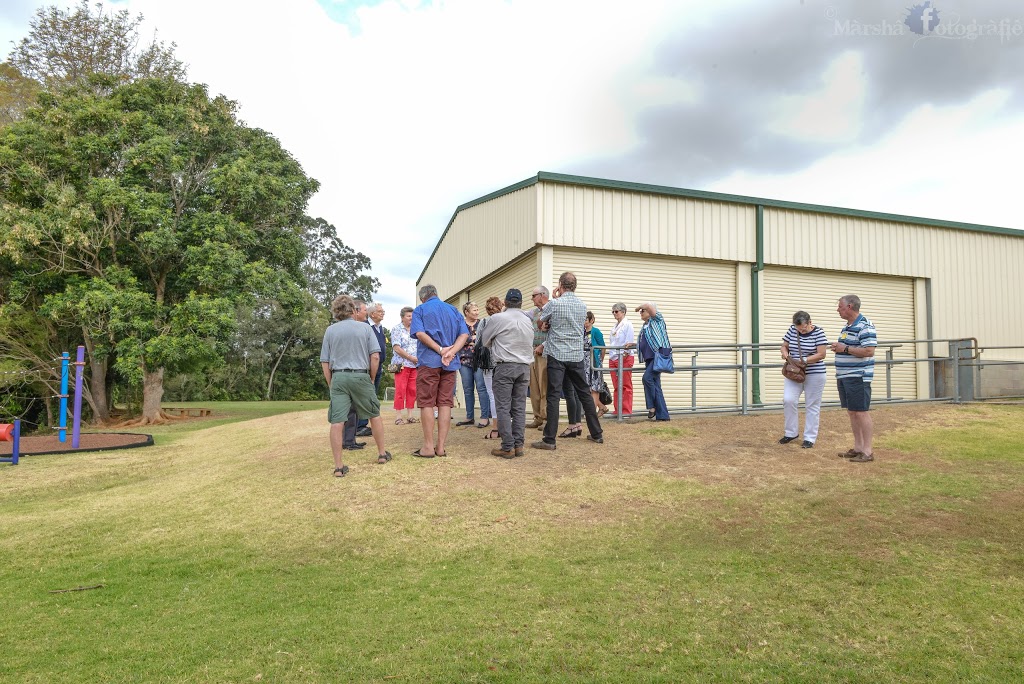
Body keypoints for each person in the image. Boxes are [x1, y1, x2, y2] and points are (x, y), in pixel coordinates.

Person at [320, 294, 392, 477]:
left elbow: (325, 362)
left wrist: (331, 383)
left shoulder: (330, 331)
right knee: (374, 414)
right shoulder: (365, 329)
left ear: (336, 312)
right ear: (353, 309)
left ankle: (338, 466)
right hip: (360, 375)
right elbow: (375, 356)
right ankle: (382, 454)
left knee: (337, 421)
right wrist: (371, 377)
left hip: (338, 377)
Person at [533, 272, 603, 450]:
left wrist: (555, 298)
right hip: (576, 354)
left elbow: (541, 321)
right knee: (584, 394)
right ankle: (597, 433)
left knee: (553, 396)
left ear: (560, 285)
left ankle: (549, 439)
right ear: (575, 286)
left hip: (557, 355)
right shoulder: (582, 305)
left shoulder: (555, 304)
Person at [411, 284, 469, 458]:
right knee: (445, 402)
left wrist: (440, 350)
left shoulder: (420, 310)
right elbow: (464, 334)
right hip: (450, 363)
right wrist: (451, 352)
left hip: (429, 361)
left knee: (427, 403)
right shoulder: (453, 310)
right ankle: (441, 447)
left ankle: (428, 447)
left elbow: (420, 333)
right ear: (436, 294)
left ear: (423, 298)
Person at [479, 289, 534, 458]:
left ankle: (507, 446)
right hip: (524, 367)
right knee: (519, 407)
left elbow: (485, 341)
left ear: (505, 302)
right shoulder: (527, 320)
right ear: (521, 302)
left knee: (503, 406)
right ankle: (519, 445)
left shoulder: (497, 318)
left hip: (505, 365)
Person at [830, 294, 878, 463]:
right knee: (852, 412)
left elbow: (869, 351)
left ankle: (867, 451)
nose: (838, 310)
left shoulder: (865, 326)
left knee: (861, 412)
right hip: (845, 376)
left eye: (840, 307)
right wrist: (840, 348)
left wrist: (844, 349)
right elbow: (847, 348)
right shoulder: (847, 327)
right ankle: (857, 447)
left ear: (850, 307)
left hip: (858, 377)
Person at [778, 311, 829, 449]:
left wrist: (804, 360)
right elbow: (784, 346)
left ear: (810, 322)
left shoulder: (819, 333)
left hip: (815, 373)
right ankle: (791, 433)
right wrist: (785, 353)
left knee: (812, 405)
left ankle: (809, 438)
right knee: (788, 400)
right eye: (798, 328)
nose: (801, 331)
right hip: (794, 371)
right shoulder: (792, 330)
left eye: (803, 328)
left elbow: (821, 354)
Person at [631, 302, 671, 421]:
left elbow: (648, 305)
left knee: (647, 378)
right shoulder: (645, 325)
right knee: (656, 385)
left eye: (643, 311)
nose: (641, 312)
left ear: (650, 311)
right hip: (650, 358)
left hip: (658, 356)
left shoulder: (657, 320)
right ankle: (663, 415)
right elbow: (647, 341)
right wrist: (634, 344)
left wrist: (639, 307)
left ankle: (652, 407)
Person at [455, 301, 492, 428]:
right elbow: (457, 339)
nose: (477, 312)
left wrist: (467, 340)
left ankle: (484, 417)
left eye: (477, 310)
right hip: (464, 361)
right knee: (468, 389)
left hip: (479, 360)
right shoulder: (460, 324)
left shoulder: (483, 323)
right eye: (474, 310)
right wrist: (472, 339)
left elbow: (485, 338)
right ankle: (469, 416)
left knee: (482, 388)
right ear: (466, 312)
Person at [355, 302, 387, 437]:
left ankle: (362, 424)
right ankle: (360, 426)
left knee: (371, 396)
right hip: (368, 367)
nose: (383, 312)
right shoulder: (366, 327)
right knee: (366, 397)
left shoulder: (380, 328)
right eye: (380, 311)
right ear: (372, 314)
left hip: (378, 366)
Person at [479, 296, 503, 440]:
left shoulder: (484, 322)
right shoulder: (506, 320)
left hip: (488, 363)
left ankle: (495, 428)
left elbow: (480, 342)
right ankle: (505, 426)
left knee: (492, 395)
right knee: (505, 396)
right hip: (503, 361)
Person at [390, 306, 419, 424]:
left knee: (412, 390)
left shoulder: (416, 330)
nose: (411, 318)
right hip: (400, 364)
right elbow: (396, 347)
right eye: (408, 316)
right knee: (400, 389)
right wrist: (410, 357)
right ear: (402, 317)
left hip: (414, 365)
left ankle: (410, 415)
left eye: (412, 316)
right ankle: (398, 416)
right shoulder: (396, 329)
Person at [527, 286, 550, 429]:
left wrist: (543, 345)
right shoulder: (534, 312)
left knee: (545, 386)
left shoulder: (551, 310)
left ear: (542, 295)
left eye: (534, 295)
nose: (532, 299)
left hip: (545, 353)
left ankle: (546, 417)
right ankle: (537, 416)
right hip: (533, 353)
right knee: (534, 387)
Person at [607, 303, 636, 416]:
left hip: (625, 357)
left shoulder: (628, 324)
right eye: (613, 312)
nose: (614, 313)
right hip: (613, 357)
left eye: (616, 311)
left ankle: (626, 410)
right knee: (616, 386)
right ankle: (618, 409)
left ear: (623, 312)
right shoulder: (614, 327)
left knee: (626, 385)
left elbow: (628, 343)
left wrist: (623, 357)